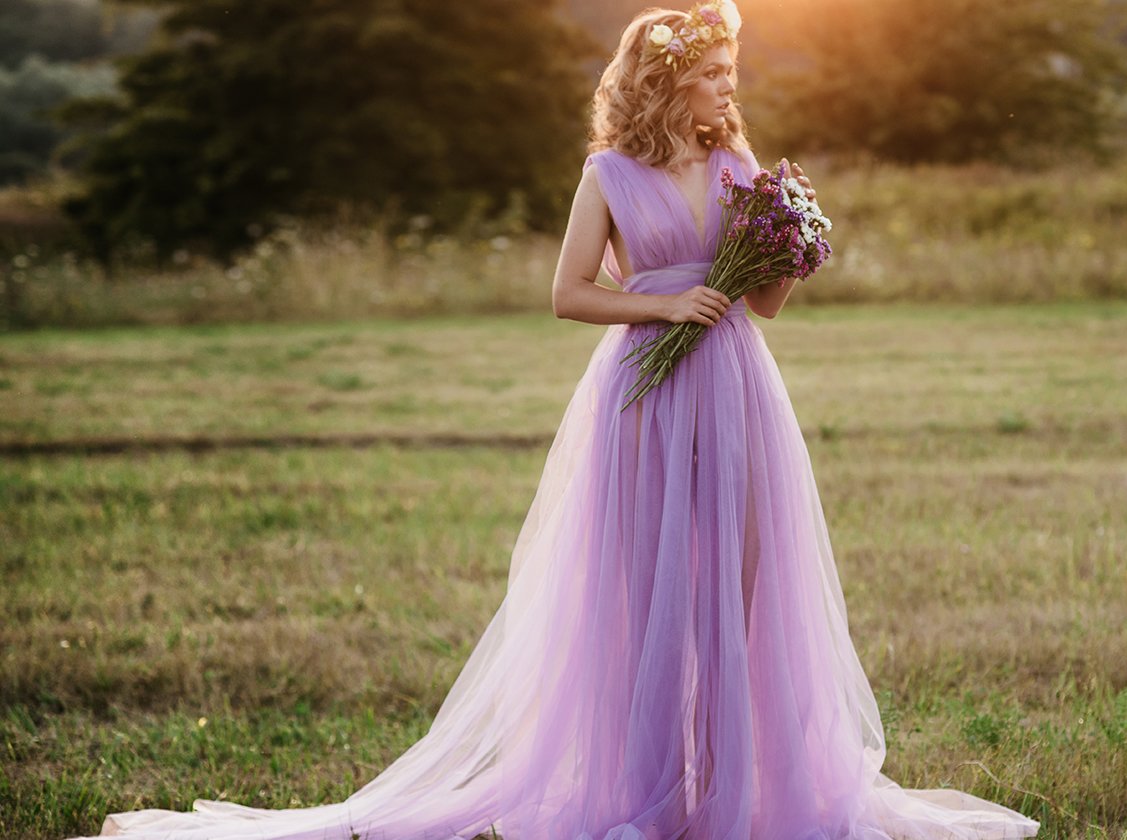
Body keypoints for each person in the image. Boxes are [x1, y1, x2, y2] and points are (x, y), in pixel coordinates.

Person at [75, 3, 1042, 838]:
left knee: (741, 592)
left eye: (730, 74)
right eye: (711, 76)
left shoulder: (738, 159)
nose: (727, 90)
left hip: (739, 388)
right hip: (646, 390)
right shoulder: (609, 175)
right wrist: (666, 305)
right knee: (642, 595)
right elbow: (568, 294)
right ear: (665, 83)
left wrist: (789, 242)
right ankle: (648, 792)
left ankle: (738, 790)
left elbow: (770, 306)